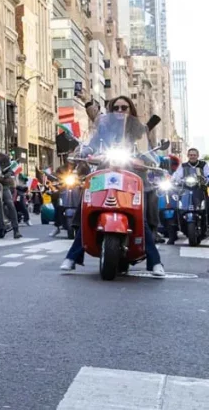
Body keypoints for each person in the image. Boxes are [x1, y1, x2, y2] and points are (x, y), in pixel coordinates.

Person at [60, 95, 166, 276]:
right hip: (104, 172)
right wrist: (86, 154)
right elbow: (91, 147)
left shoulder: (139, 130)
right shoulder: (103, 128)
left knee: (142, 216)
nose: (119, 111)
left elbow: (148, 151)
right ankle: (72, 256)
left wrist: (143, 159)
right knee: (88, 209)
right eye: (116, 107)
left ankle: (155, 261)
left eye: (124, 108)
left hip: (133, 175)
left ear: (130, 110)